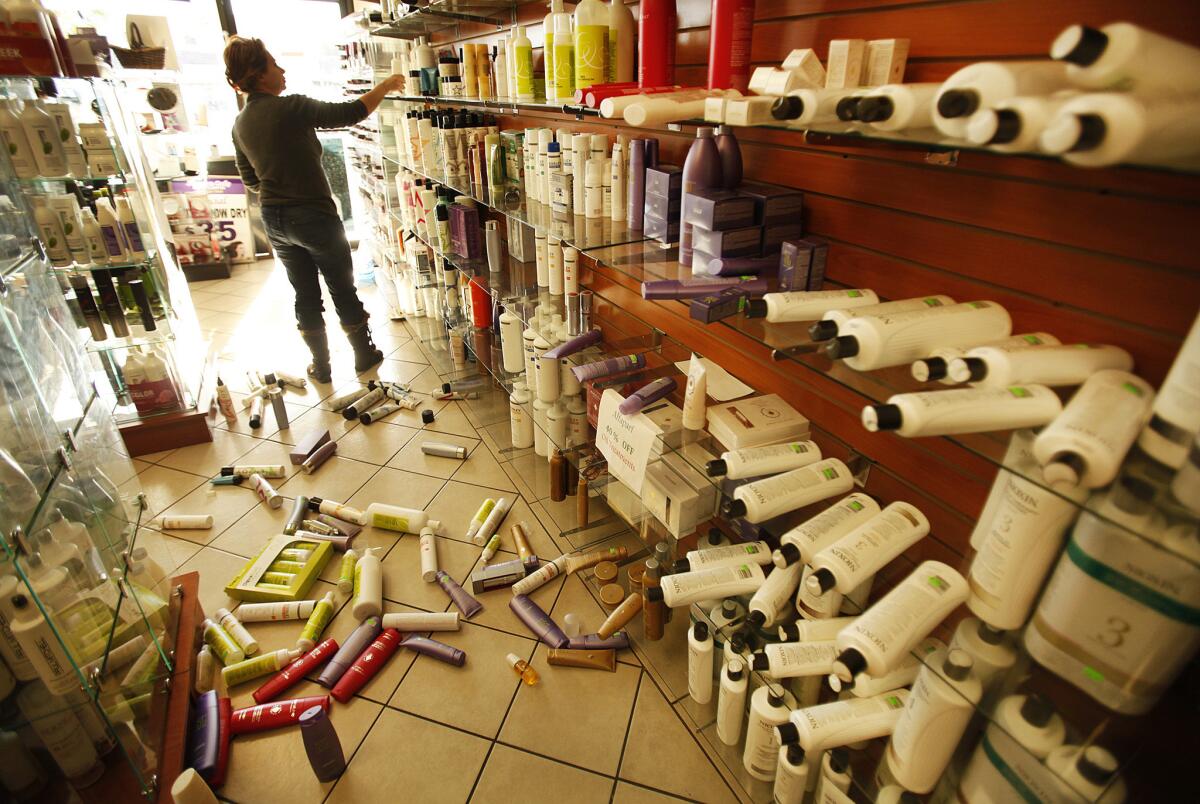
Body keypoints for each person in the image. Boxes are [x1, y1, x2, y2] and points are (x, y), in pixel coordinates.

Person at [224, 35, 402, 381]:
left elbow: (249, 177)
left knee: (304, 292)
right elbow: (349, 113)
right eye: (275, 64)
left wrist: (279, 189)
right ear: (259, 75)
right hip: (313, 216)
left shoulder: (240, 123)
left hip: (274, 219)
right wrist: (385, 85)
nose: (282, 69)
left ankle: (321, 367)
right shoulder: (291, 107)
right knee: (341, 287)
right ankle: (364, 356)